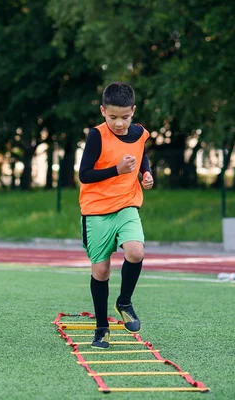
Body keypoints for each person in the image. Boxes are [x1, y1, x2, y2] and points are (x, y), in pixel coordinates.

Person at [78, 82, 154, 348]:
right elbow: (84, 175)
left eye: (125, 117)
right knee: (101, 270)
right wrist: (116, 170)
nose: (119, 124)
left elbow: (141, 155)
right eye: (113, 117)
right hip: (96, 211)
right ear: (103, 111)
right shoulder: (96, 136)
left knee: (136, 251)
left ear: (133, 111)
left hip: (127, 205)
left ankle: (124, 302)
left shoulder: (141, 133)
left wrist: (146, 172)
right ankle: (102, 327)